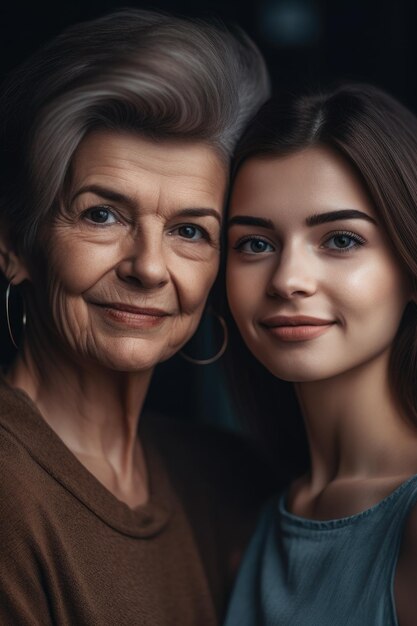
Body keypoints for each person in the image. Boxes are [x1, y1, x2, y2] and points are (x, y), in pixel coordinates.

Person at [0, 9, 271, 625]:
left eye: (189, 230)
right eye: (102, 215)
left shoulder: (230, 479)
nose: (149, 268)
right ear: (15, 245)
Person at [223, 84, 417, 626]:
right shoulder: (255, 518)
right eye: (255, 244)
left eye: (340, 240)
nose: (288, 280)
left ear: (410, 265)